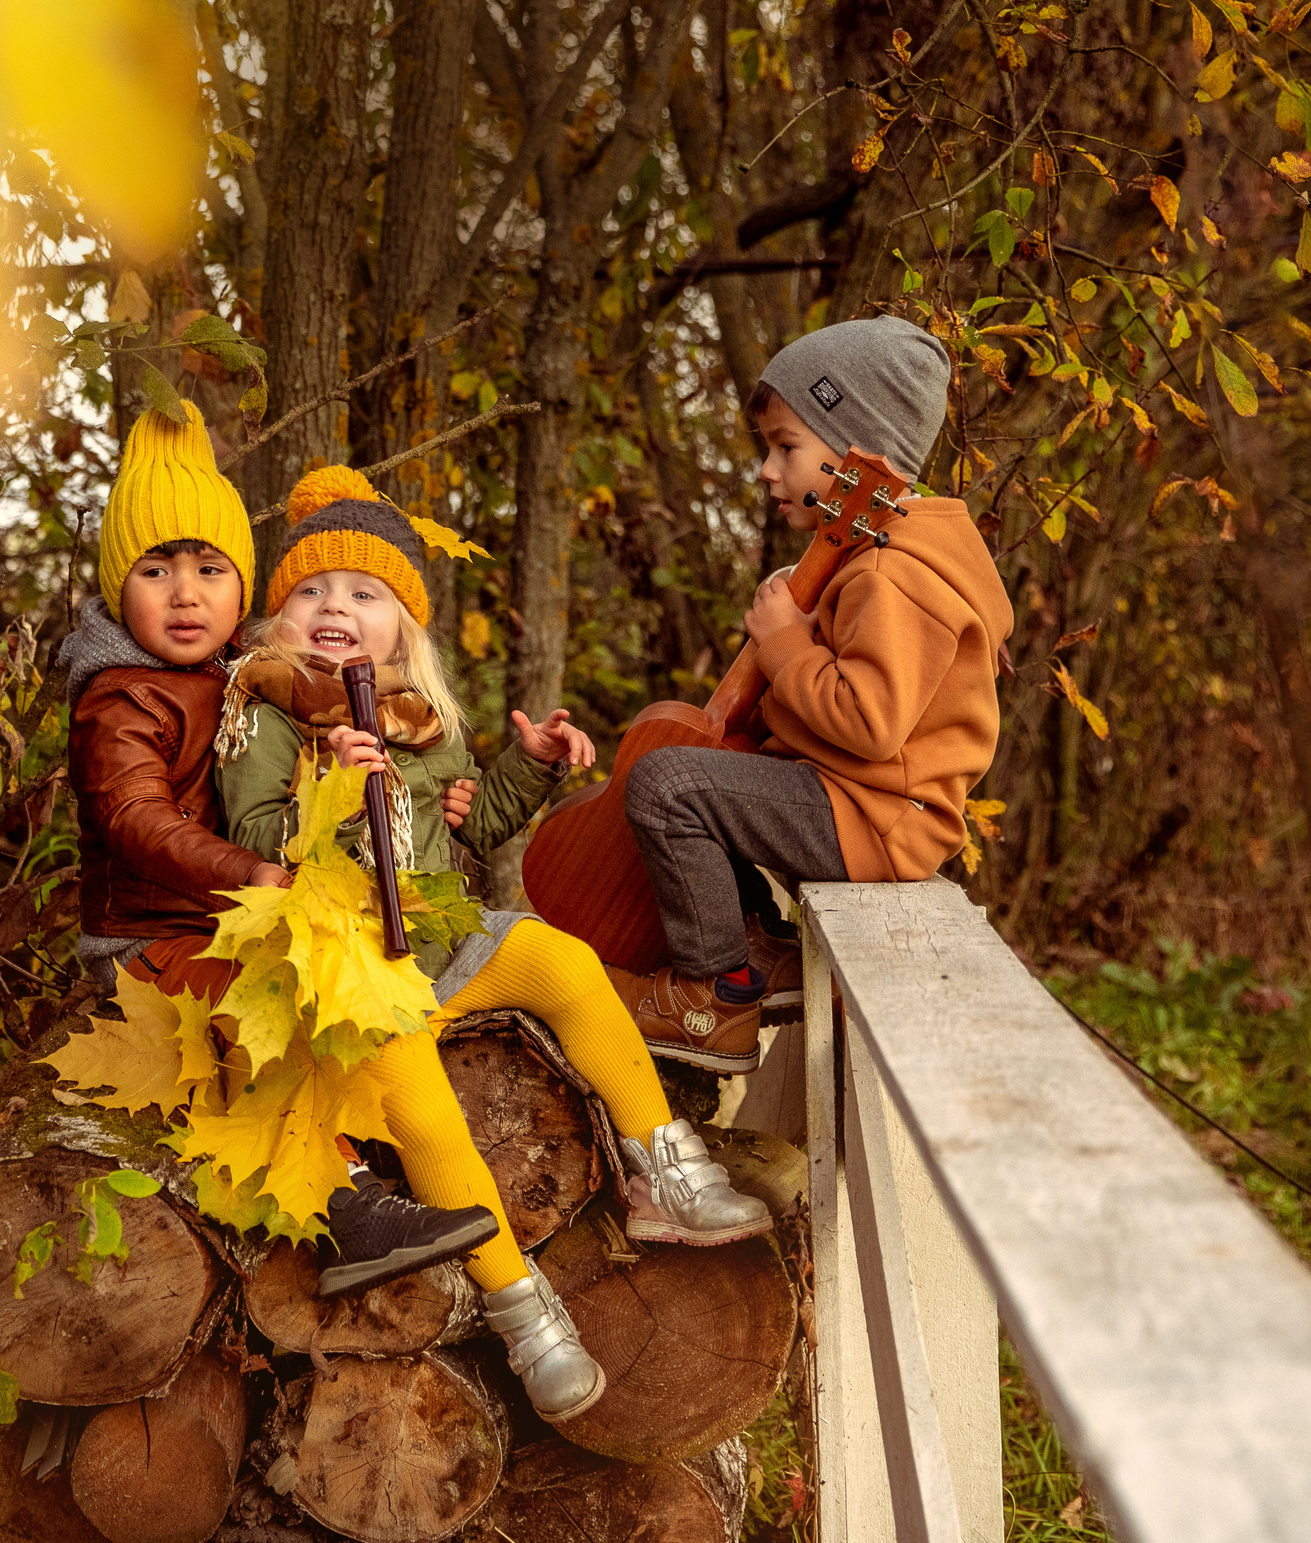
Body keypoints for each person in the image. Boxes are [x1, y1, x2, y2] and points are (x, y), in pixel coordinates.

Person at [215, 465, 771, 1424]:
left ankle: (665, 1166)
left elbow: (471, 828)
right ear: (277, 618)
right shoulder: (264, 714)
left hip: (441, 935)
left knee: (566, 962)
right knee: (427, 1111)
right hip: (349, 964)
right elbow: (254, 830)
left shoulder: (416, 719)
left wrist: (533, 764)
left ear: (403, 627)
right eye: (309, 591)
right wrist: (331, 789)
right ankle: (523, 1307)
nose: (334, 607)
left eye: (363, 593)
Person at [62, 402, 499, 1298]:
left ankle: (374, 1147)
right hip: (153, 941)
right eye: (157, 570)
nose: (187, 594)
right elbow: (135, 819)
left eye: (210, 569)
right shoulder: (118, 697)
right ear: (119, 589)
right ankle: (346, 1203)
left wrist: (438, 789)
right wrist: (252, 870)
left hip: (230, 911)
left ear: (240, 586)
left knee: (316, 983)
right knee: (272, 1016)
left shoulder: (236, 678)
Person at [611, 317, 1016, 1074]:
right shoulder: (873, 553)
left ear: (861, 456)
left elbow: (869, 722)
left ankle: (718, 995)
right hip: (859, 800)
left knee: (669, 786)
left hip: (879, 817)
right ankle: (761, 952)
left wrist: (784, 644)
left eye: (786, 446)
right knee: (695, 770)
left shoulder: (894, 574)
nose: (767, 469)